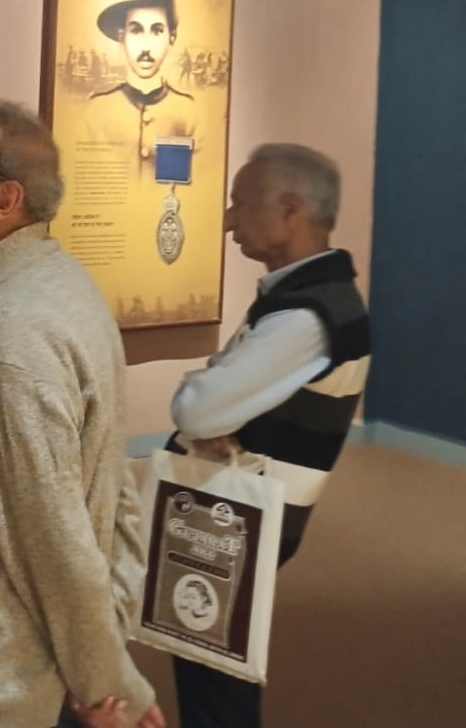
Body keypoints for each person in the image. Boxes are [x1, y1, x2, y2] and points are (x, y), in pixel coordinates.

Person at [0, 99, 163, 728]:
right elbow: (109, 489)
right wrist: (106, 636)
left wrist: (108, 685)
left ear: (3, 199)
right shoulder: (59, 282)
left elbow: (50, 537)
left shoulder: (8, 339)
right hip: (29, 655)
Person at [165, 144, 370, 728]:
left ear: (290, 210)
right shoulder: (299, 298)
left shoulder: (309, 315)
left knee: (214, 676)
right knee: (203, 657)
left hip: (240, 517)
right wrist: (217, 401)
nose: (229, 219)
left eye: (240, 203)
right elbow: (216, 393)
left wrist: (209, 404)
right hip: (234, 510)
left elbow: (196, 410)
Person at [79, 0, 196, 168]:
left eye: (157, 30)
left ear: (171, 38)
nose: (146, 47)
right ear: (122, 36)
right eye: (136, 30)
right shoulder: (95, 111)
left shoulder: (189, 114)